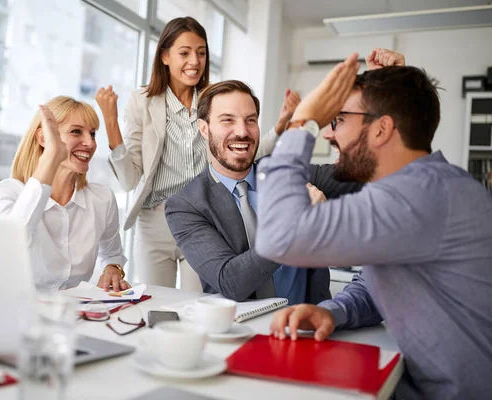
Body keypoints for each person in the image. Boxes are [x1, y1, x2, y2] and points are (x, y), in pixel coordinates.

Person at [255, 51, 492, 399]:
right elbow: (376, 280)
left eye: (338, 120)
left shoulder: (418, 196)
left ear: (382, 129)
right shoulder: (424, 187)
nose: (328, 135)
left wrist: (302, 123)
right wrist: (332, 313)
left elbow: (278, 237)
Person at [95, 17, 298, 289]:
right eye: (185, 53)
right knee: (158, 304)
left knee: (201, 303)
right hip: (155, 222)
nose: (195, 61)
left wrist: (282, 125)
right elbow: (129, 179)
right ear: (165, 56)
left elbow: (242, 152)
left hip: (204, 219)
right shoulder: (142, 101)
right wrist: (110, 123)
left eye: (201, 53)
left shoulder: (213, 101)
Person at [165, 80, 362, 304]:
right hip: (241, 332)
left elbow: (366, 174)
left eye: (250, 120)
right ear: (204, 129)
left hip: (307, 325)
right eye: (227, 120)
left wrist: (394, 93)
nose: (242, 132)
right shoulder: (186, 206)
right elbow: (232, 281)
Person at [0, 96, 130, 292]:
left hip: (75, 312)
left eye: (93, 134)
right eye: (76, 132)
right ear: (43, 138)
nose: (90, 143)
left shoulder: (102, 199)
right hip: (18, 310)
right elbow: (10, 245)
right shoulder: (7, 194)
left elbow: (112, 254)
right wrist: (52, 156)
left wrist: (113, 269)